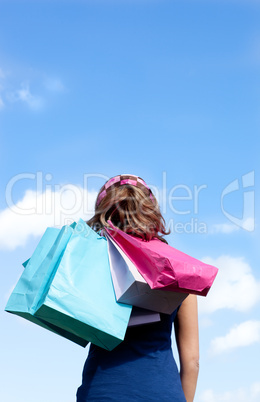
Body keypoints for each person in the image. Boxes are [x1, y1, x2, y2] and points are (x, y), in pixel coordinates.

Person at [76, 174, 199, 402]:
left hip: (102, 391)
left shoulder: (91, 266)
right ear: (150, 211)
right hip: (162, 393)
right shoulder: (180, 273)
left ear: (104, 213)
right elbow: (192, 362)